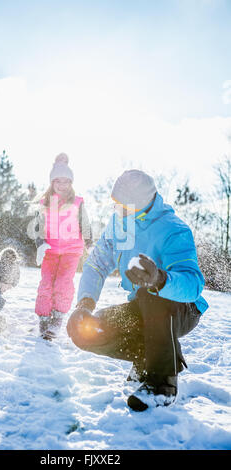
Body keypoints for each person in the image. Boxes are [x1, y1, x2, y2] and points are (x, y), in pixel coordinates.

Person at [67, 169, 209, 412]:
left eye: (123, 206)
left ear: (141, 205)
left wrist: (159, 279)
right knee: (85, 329)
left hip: (181, 310)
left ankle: (162, 383)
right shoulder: (120, 223)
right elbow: (96, 263)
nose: (117, 211)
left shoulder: (173, 229)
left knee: (150, 294)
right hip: (143, 308)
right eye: (116, 205)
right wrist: (84, 304)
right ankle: (148, 359)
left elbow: (193, 285)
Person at [31, 153, 92, 340]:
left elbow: (85, 224)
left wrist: (90, 244)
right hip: (50, 250)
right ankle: (43, 318)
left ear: (71, 183)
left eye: (66, 181)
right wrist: (40, 244)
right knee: (46, 283)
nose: (63, 185)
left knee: (63, 282)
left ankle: (57, 318)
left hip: (71, 251)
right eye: (58, 181)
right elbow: (37, 226)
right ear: (52, 182)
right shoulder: (44, 203)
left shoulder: (77, 202)